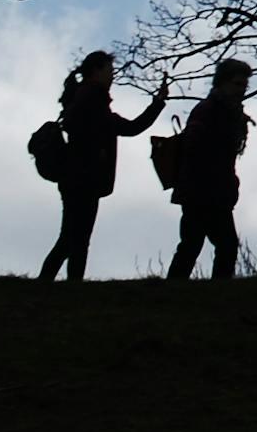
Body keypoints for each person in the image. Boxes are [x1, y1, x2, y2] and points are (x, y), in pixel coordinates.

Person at [38, 51, 166, 283]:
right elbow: (130, 128)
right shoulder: (93, 100)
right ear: (96, 71)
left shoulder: (82, 97)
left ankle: (49, 283)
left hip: (75, 177)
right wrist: (157, 105)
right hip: (84, 177)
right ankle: (70, 285)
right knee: (77, 239)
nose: (112, 75)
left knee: (69, 238)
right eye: (109, 70)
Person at [166, 58, 254, 281]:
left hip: (210, 190)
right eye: (237, 84)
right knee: (217, 245)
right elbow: (195, 149)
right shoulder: (209, 111)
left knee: (196, 245)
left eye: (244, 86)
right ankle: (214, 293)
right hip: (203, 190)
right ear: (222, 83)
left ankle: (176, 292)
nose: (241, 90)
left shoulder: (224, 112)